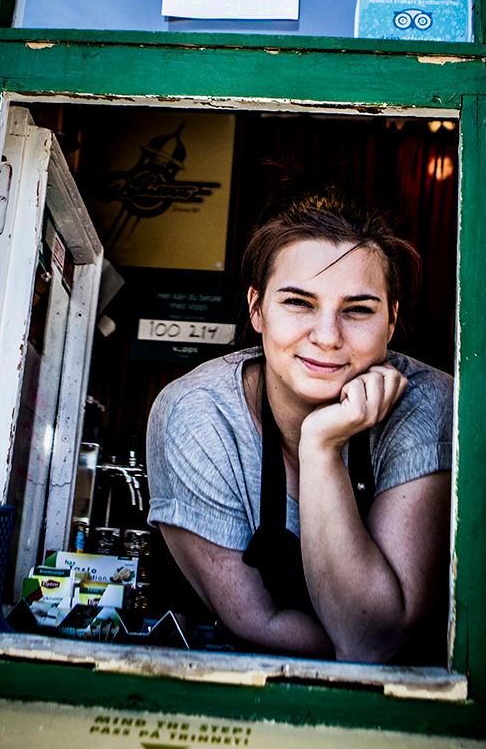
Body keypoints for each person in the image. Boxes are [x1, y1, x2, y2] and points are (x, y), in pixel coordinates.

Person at [146, 193, 451, 664]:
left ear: (391, 320)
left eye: (358, 309)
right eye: (298, 302)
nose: (327, 336)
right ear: (257, 309)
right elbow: (258, 620)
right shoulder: (198, 415)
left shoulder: (426, 404)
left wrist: (321, 448)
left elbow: (374, 640)